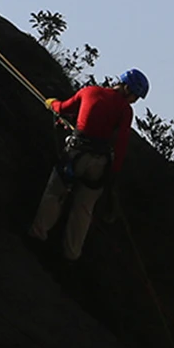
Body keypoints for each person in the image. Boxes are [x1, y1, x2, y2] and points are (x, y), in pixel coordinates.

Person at [28, 69, 149, 261]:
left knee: (55, 192)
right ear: (127, 88)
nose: (133, 101)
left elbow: (63, 108)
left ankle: (38, 233)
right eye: (134, 96)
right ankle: (71, 253)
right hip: (98, 165)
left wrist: (51, 103)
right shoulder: (125, 110)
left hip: (76, 153)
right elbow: (121, 143)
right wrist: (113, 174)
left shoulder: (89, 92)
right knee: (83, 209)